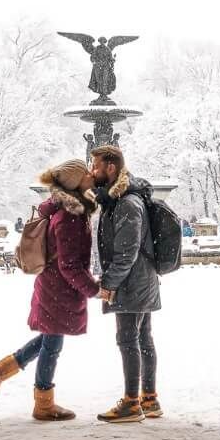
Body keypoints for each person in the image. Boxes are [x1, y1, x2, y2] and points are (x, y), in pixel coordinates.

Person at [0, 159, 99, 421]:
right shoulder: (70, 216)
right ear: (75, 183)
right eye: (85, 172)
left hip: (53, 285)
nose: (91, 174)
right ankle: (43, 403)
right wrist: (93, 289)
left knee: (50, 338)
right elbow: (69, 265)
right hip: (58, 287)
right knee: (52, 344)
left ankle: (0, 371)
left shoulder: (66, 210)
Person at [90, 145, 161, 424]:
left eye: (95, 166)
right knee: (143, 339)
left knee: (128, 339)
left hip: (133, 283)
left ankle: (132, 402)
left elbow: (127, 252)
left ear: (111, 168)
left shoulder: (127, 203)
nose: (92, 171)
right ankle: (149, 398)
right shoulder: (119, 200)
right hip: (141, 281)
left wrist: (108, 283)